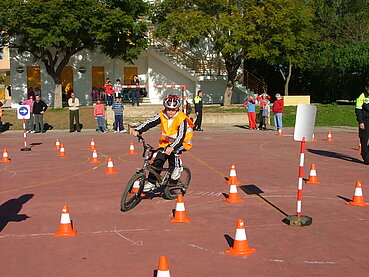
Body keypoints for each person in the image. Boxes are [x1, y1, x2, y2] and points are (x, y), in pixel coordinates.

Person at [132, 94, 194, 192]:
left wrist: (172, 147)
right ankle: (152, 182)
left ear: (177, 109)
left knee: (174, 154)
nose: (170, 112)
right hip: (166, 143)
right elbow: (150, 122)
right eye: (168, 109)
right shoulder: (162, 115)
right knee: (158, 158)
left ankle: (177, 169)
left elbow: (181, 136)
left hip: (183, 142)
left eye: (173, 110)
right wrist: (138, 130)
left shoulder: (181, 119)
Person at [355, 81, 369, 164]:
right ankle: (366, 157)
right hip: (365, 121)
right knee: (364, 140)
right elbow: (358, 110)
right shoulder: (362, 96)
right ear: (366, 88)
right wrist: (361, 122)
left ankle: (367, 153)